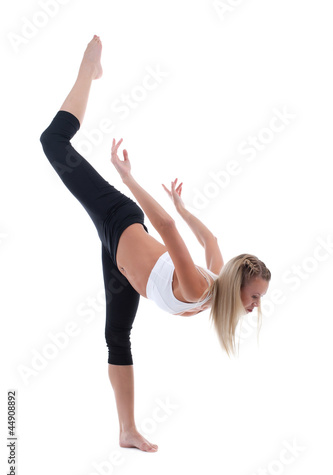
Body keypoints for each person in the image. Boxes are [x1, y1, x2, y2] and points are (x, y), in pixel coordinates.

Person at [40, 36, 271, 453]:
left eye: (258, 301)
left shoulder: (214, 285)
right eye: (254, 297)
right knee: (54, 143)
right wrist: (128, 179)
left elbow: (211, 238)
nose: (255, 306)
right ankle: (89, 69)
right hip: (119, 218)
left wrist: (185, 209)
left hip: (122, 265)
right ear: (238, 285)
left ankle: (126, 430)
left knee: (118, 337)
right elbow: (163, 225)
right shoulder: (200, 288)